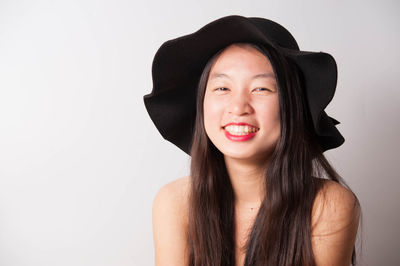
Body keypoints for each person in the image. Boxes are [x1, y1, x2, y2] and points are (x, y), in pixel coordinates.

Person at [144, 15, 361, 266]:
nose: (238, 107)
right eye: (222, 88)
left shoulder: (327, 206)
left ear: (292, 106)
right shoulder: (176, 202)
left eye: (261, 89)